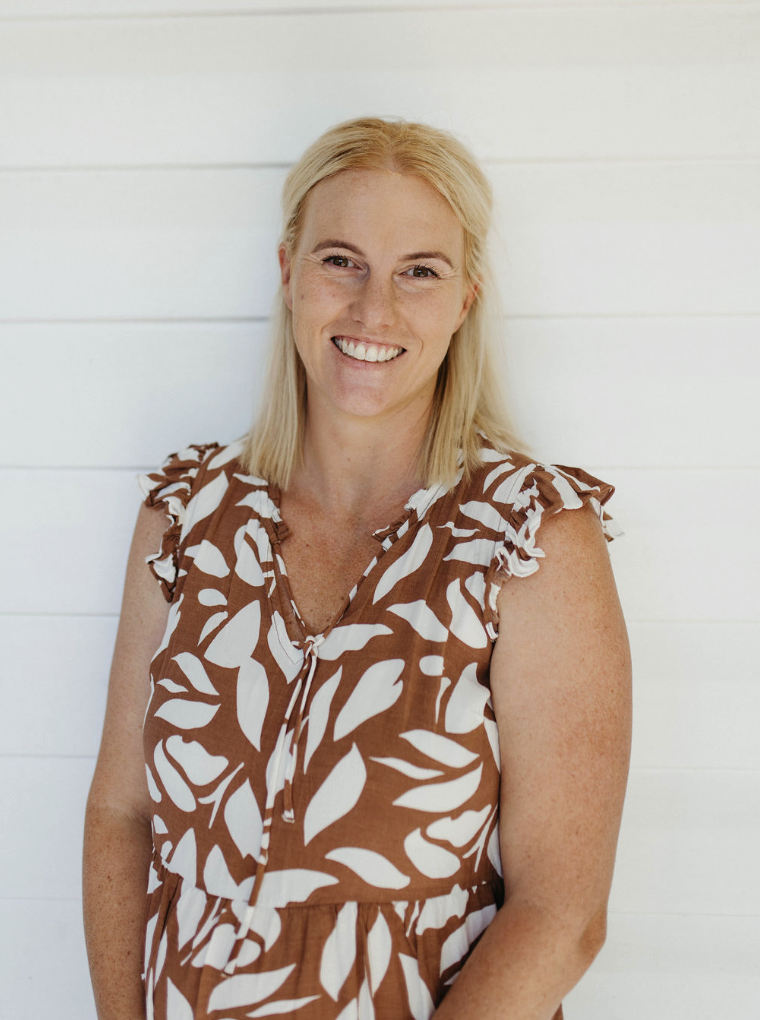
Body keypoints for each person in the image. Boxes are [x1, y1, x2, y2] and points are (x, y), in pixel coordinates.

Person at [83, 116, 631, 1020]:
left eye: (420, 270)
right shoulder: (184, 520)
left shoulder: (529, 538)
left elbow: (561, 913)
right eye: (341, 261)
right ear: (288, 272)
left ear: (465, 301)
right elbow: (122, 816)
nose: (374, 311)